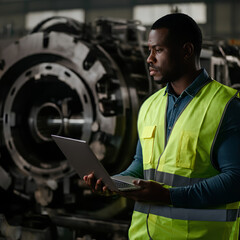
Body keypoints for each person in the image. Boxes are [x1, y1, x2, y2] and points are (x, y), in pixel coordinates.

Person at [84, 13, 240, 239]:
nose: (149, 58)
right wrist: (114, 183)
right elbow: (141, 165)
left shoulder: (226, 106)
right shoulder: (150, 106)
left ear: (186, 51)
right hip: (143, 235)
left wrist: (169, 196)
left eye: (158, 50)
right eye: (149, 50)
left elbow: (235, 180)